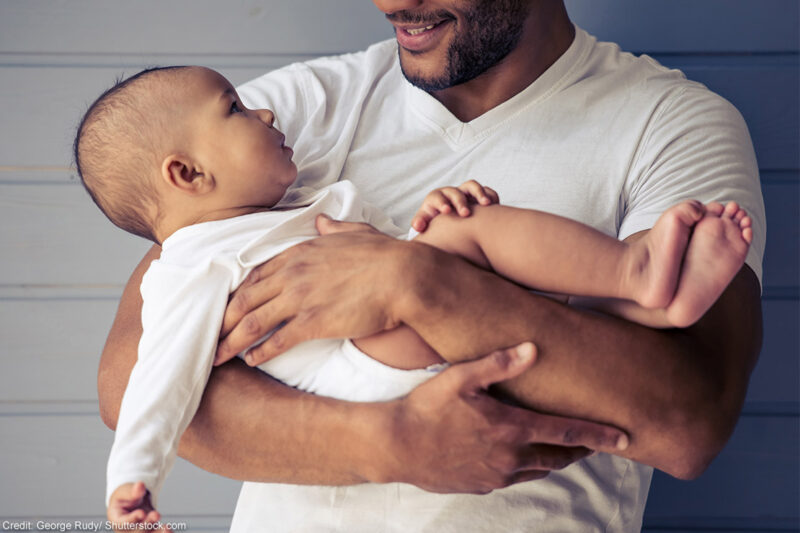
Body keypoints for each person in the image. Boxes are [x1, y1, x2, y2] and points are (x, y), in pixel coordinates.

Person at [96, 1, 766, 531]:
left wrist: (415, 283)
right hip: (359, 373)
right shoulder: (299, 112)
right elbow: (132, 381)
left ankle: (639, 281)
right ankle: (633, 282)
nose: (394, 3)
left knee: (455, 236)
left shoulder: (672, 123)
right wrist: (388, 443)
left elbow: (689, 425)